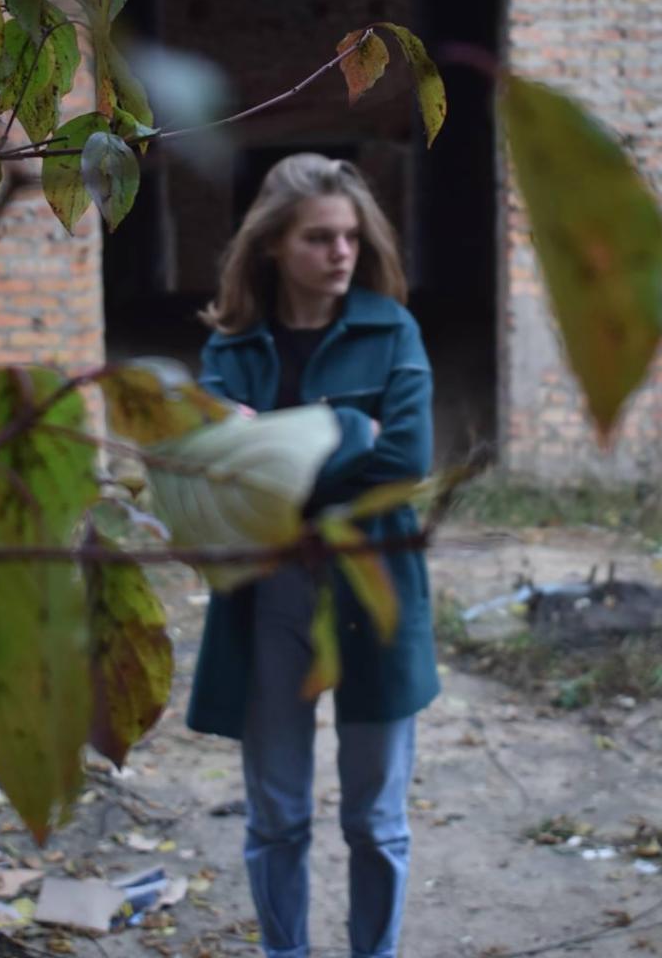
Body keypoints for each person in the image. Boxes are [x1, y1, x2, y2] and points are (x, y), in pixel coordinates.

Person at [187, 153, 439, 958]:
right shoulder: (230, 347)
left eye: (351, 239)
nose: (340, 254)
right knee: (277, 818)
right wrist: (344, 438)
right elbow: (209, 479)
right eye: (318, 238)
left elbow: (402, 462)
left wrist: (270, 446)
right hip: (267, 595)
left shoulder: (390, 330)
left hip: (372, 593)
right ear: (272, 245)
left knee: (375, 821)